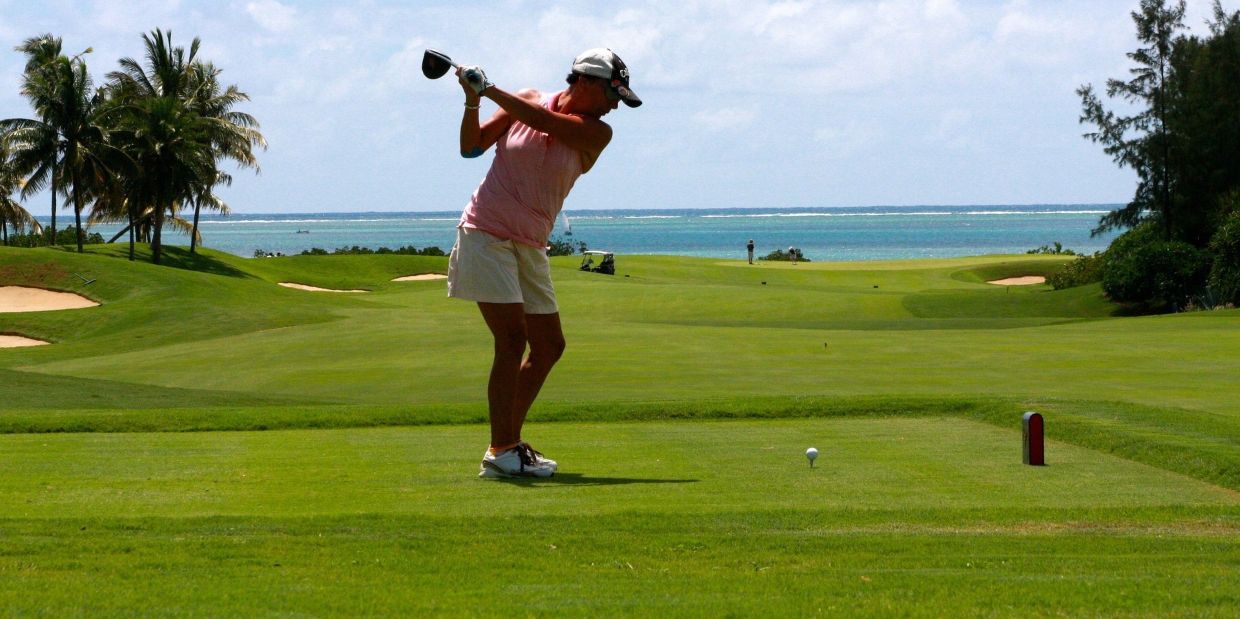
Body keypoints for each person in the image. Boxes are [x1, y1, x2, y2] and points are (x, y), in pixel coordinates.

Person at [446, 49, 641, 478]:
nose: (614, 106)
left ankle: (505, 445)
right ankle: (503, 451)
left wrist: (489, 88)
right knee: (512, 339)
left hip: (531, 243)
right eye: (612, 95)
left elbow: (545, 122)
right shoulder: (528, 99)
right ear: (585, 82)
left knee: (549, 345)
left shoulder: (597, 133)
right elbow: (471, 148)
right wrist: (473, 100)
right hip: (486, 231)